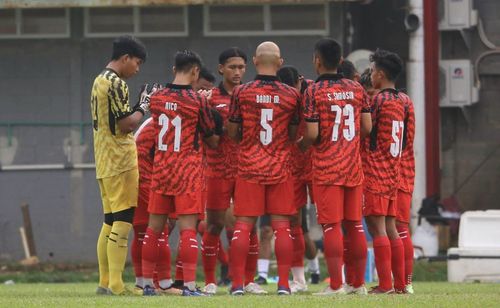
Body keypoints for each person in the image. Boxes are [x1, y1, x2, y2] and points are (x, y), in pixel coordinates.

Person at [141, 50, 219, 296]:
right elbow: (211, 137)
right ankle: (188, 285)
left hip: (161, 170)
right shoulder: (197, 101)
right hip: (186, 171)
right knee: (187, 230)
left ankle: (144, 284)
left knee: (153, 230)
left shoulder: (156, 97)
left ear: (174, 69)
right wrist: (205, 103)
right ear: (196, 72)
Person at [227, 41, 300, 296]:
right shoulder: (292, 95)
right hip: (280, 166)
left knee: (243, 226)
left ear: (255, 62)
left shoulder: (241, 92)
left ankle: (237, 284)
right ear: (279, 63)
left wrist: (247, 142)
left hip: (249, 165)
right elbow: (293, 133)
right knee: (282, 227)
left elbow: (233, 131)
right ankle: (282, 284)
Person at [300, 38, 372, 295]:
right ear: (341, 61)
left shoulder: (313, 91)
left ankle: (335, 285)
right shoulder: (357, 89)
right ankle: (358, 284)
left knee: (331, 226)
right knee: (354, 225)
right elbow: (367, 128)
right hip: (353, 166)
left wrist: (301, 144)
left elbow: (311, 133)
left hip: (327, 166)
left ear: (317, 61)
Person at [91, 35, 156, 295]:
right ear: (125, 58)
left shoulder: (99, 79)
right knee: (123, 221)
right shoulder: (116, 83)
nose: (137, 69)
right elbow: (126, 124)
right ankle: (117, 285)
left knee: (109, 220)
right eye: (137, 63)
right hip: (120, 160)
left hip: (103, 159)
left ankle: (105, 282)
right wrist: (144, 105)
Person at [201, 47, 268, 295]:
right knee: (214, 225)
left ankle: (248, 280)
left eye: (241, 67)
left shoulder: (251, 95)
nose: (238, 72)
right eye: (232, 67)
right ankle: (210, 281)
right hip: (218, 169)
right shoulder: (209, 98)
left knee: (248, 226)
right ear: (221, 69)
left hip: (247, 169)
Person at [362, 48, 406, 294]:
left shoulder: (377, 100)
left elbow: (367, 130)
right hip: (392, 170)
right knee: (391, 228)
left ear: (379, 74)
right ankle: (399, 285)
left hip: (376, 170)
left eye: (372, 72)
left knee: (377, 228)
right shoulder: (400, 99)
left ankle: (386, 285)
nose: (371, 76)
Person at [396, 82, 416, 295]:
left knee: (393, 229)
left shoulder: (384, 101)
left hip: (390, 171)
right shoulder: (407, 101)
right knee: (401, 228)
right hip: (406, 169)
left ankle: (400, 282)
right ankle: (404, 282)